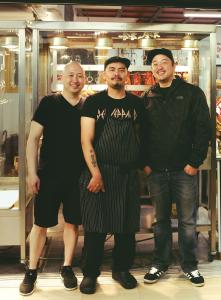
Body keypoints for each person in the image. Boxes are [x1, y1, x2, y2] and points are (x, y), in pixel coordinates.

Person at [142, 48, 211, 287]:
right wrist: (146, 164)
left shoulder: (192, 93)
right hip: (157, 172)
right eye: (154, 64)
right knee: (160, 221)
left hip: (184, 170)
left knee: (187, 221)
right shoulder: (147, 96)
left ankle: (189, 265)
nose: (159, 67)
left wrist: (194, 163)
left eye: (163, 62)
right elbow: (140, 134)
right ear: (152, 70)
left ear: (173, 66)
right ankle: (159, 263)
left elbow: (204, 130)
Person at [79, 56, 147, 294]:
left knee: (126, 228)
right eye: (112, 70)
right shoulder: (93, 102)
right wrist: (95, 174)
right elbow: (86, 140)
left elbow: (142, 138)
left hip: (127, 174)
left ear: (127, 75)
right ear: (104, 75)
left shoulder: (136, 104)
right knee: (95, 228)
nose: (117, 74)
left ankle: (121, 270)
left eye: (121, 70)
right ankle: (89, 274)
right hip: (99, 171)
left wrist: (142, 165)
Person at [19, 61, 86, 296]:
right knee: (41, 224)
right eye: (70, 75)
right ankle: (32, 270)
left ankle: (67, 267)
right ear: (62, 78)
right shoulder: (49, 103)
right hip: (49, 175)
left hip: (77, 176)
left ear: (85, 79)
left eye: (79, 76)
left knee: (72, 222)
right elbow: (32, 139)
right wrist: (32, 172)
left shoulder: (87, 106)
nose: (75, 80)